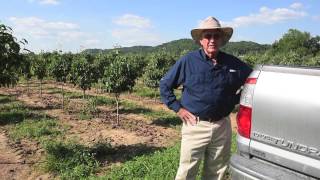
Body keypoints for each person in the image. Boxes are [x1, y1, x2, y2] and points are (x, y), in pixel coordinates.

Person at [159, 16, 253, 180]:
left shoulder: (233, 64)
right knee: (187, 171)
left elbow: (253, 80)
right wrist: (178, 109)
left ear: (222, 39)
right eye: (207, 36)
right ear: (201, 40)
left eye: (216, 36)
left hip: (222, 126)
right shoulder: (188, 61)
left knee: (217, 172)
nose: (212, 40)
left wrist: (237, 98)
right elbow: (165, 85)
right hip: (195, 124)